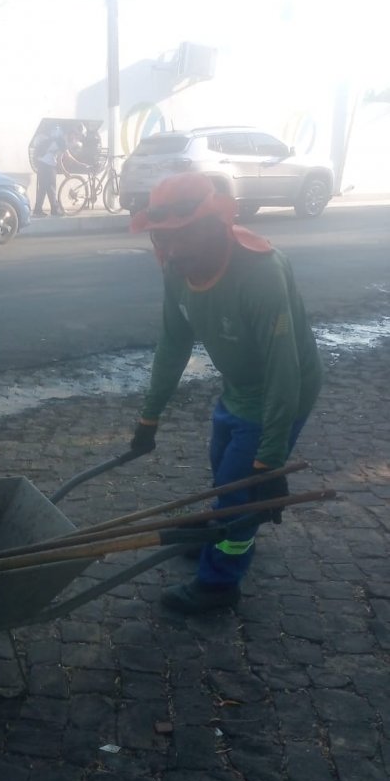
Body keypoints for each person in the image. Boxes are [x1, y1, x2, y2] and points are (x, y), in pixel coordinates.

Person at [128, 172, 322, 613]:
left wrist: (270, 459)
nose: (172, 251)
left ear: (218, 227)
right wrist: (149, 416)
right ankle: (211, 533)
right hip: (238, 389)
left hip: (283, 389)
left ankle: (220, 583)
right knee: (223, 471)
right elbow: (173, 340)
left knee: (240, 492)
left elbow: (283, 368)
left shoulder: (261, 274)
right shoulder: (176, 266)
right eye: (163, 239)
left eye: (183, 237)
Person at [32, 122, 66, 218]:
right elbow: (59, 159)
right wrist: (65, 172)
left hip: (41, 164)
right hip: (49, 165)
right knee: (51, 187)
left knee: (42, 188)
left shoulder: (47, 140)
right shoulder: (58, 143)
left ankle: (38, 210)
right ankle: (54, 210)